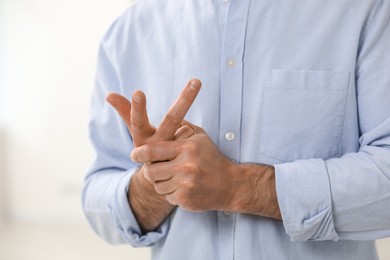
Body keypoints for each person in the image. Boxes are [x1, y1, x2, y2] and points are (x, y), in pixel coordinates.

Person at [82, 0, 390, 259]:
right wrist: (154, 186)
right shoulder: (128, 33)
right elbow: (98, 192)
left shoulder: (366, 11)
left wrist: (237, 186)